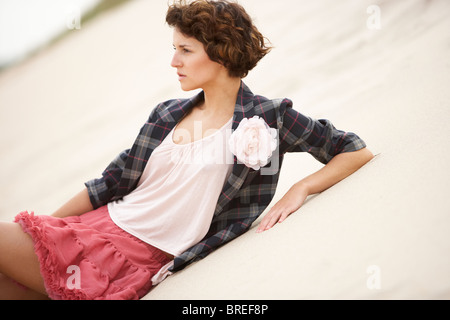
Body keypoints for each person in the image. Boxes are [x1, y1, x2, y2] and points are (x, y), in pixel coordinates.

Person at [0, 0, 373, 300]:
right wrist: (46, 230)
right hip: (93, 229)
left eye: (185, 50)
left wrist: (300, 188)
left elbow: (352, 149)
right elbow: (110, 183)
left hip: (134, 259)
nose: (173, 61)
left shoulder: (268, 118)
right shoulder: (167, 114)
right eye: (174, 49)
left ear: (221, 53)